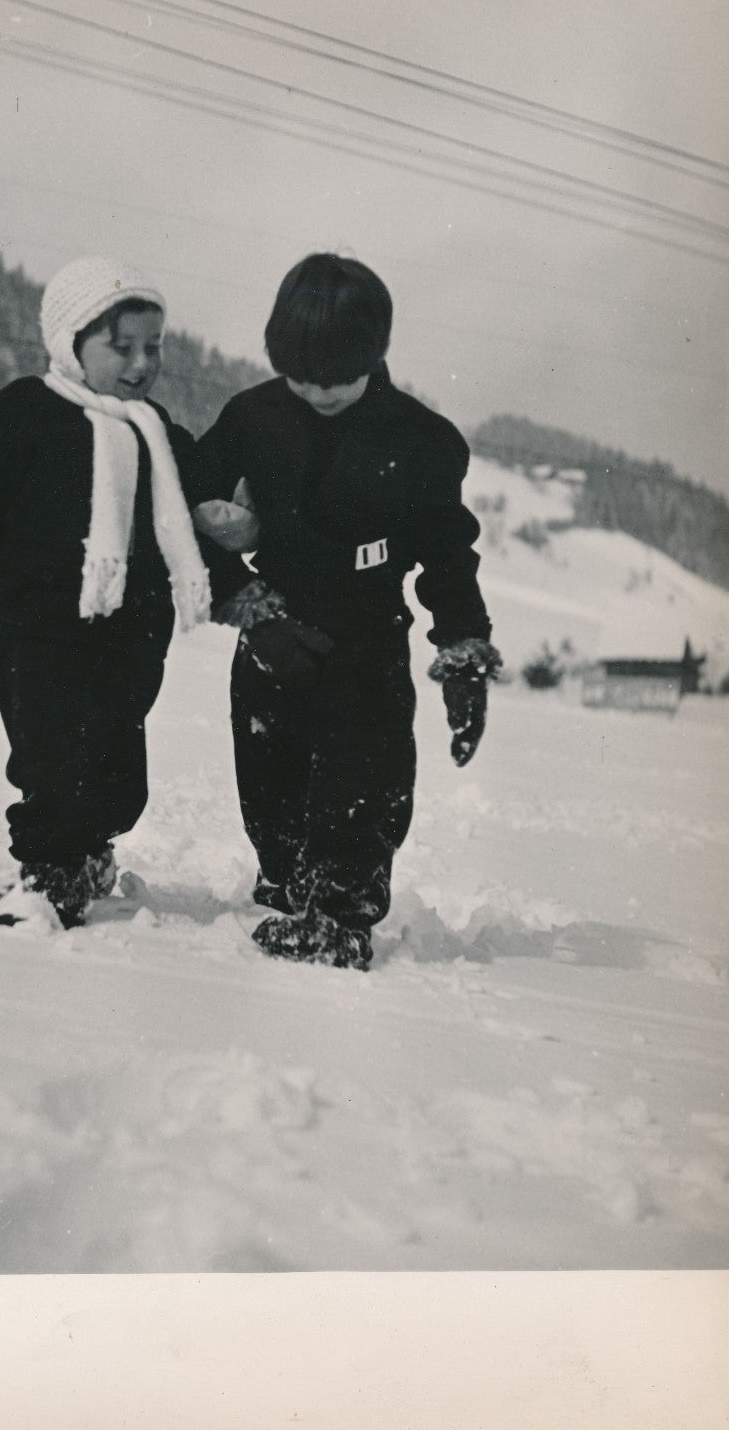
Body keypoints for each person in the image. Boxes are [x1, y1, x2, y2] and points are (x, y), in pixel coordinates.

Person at [0, 256, 247, 930]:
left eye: (154, 347)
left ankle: (89, 851)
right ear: (69, 341)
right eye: (121, 348)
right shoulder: (23, 415)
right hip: (39, 631)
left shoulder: (157, 432)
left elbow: (193, 509)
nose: (141, 364)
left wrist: (230, 540)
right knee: (51, 759)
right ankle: (43, 876)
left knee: (118, 777)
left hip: (133, 636)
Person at [192, 252, 501, 971]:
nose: (316, 391)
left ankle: (338, 913)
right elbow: (182, 513)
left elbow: (447, 555)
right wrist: (246, 606)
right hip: (272, 628)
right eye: (300, 377)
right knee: (269, 775)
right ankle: (284, 881)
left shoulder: (419, 441)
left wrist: (462, 650)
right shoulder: (252, 417)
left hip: (366, 635)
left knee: (362, 779)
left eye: (336, 379)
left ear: (375, 354)